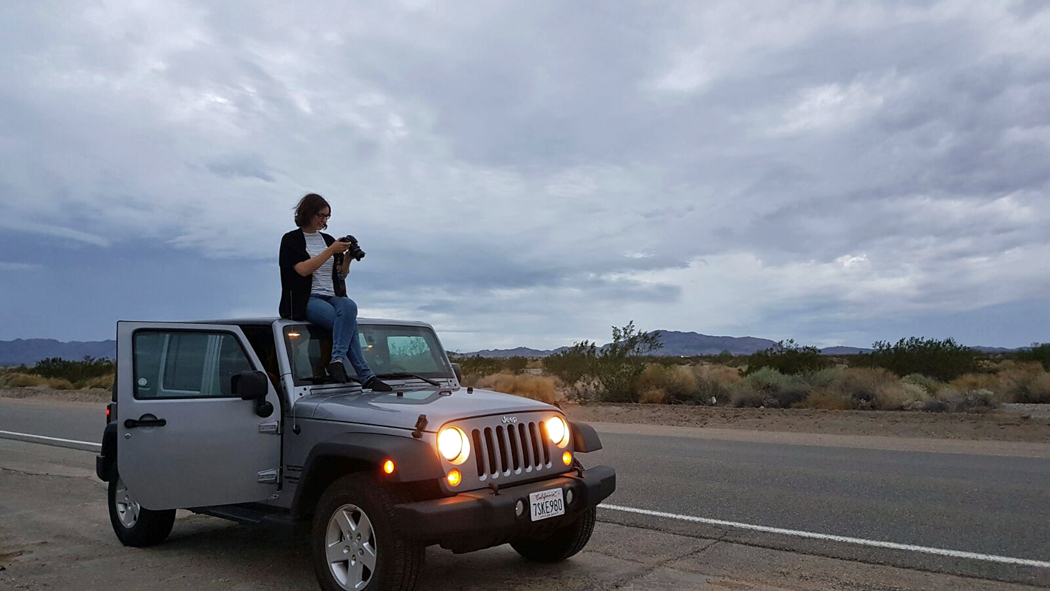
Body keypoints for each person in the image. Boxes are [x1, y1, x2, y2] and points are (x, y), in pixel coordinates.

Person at [279, 193, 392, 391]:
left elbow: (340, 275)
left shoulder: (328, 240)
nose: (324, 221)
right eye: (320, 216)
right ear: (307, 213)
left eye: (327, 217)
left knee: (349, 306)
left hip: (332, 295)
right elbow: (302, 270)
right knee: (347, 327)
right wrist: (331, 250)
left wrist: (347, 258)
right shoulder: (291, 240)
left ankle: (337, 360)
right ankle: (366, 376)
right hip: (307, 298)